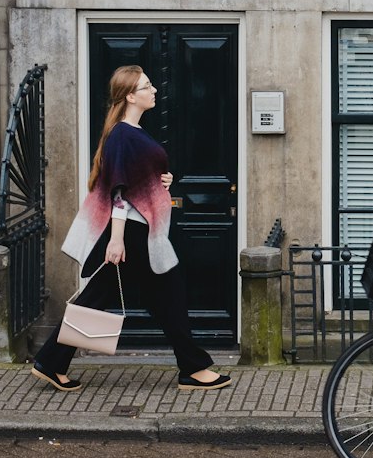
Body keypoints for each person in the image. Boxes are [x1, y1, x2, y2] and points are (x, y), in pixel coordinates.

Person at [31, 65, 231, 394]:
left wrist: (162, 180)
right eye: (147, 86)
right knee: (168, 296)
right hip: (132, 234)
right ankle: (192, 369)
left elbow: (137, 179)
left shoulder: (132, 133)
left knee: (103, 297)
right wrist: (116, 240)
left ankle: (51, 363)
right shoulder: (124, 135)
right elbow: (119, 192)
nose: (154, 90)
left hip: (137, 231)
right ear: (130, 96)